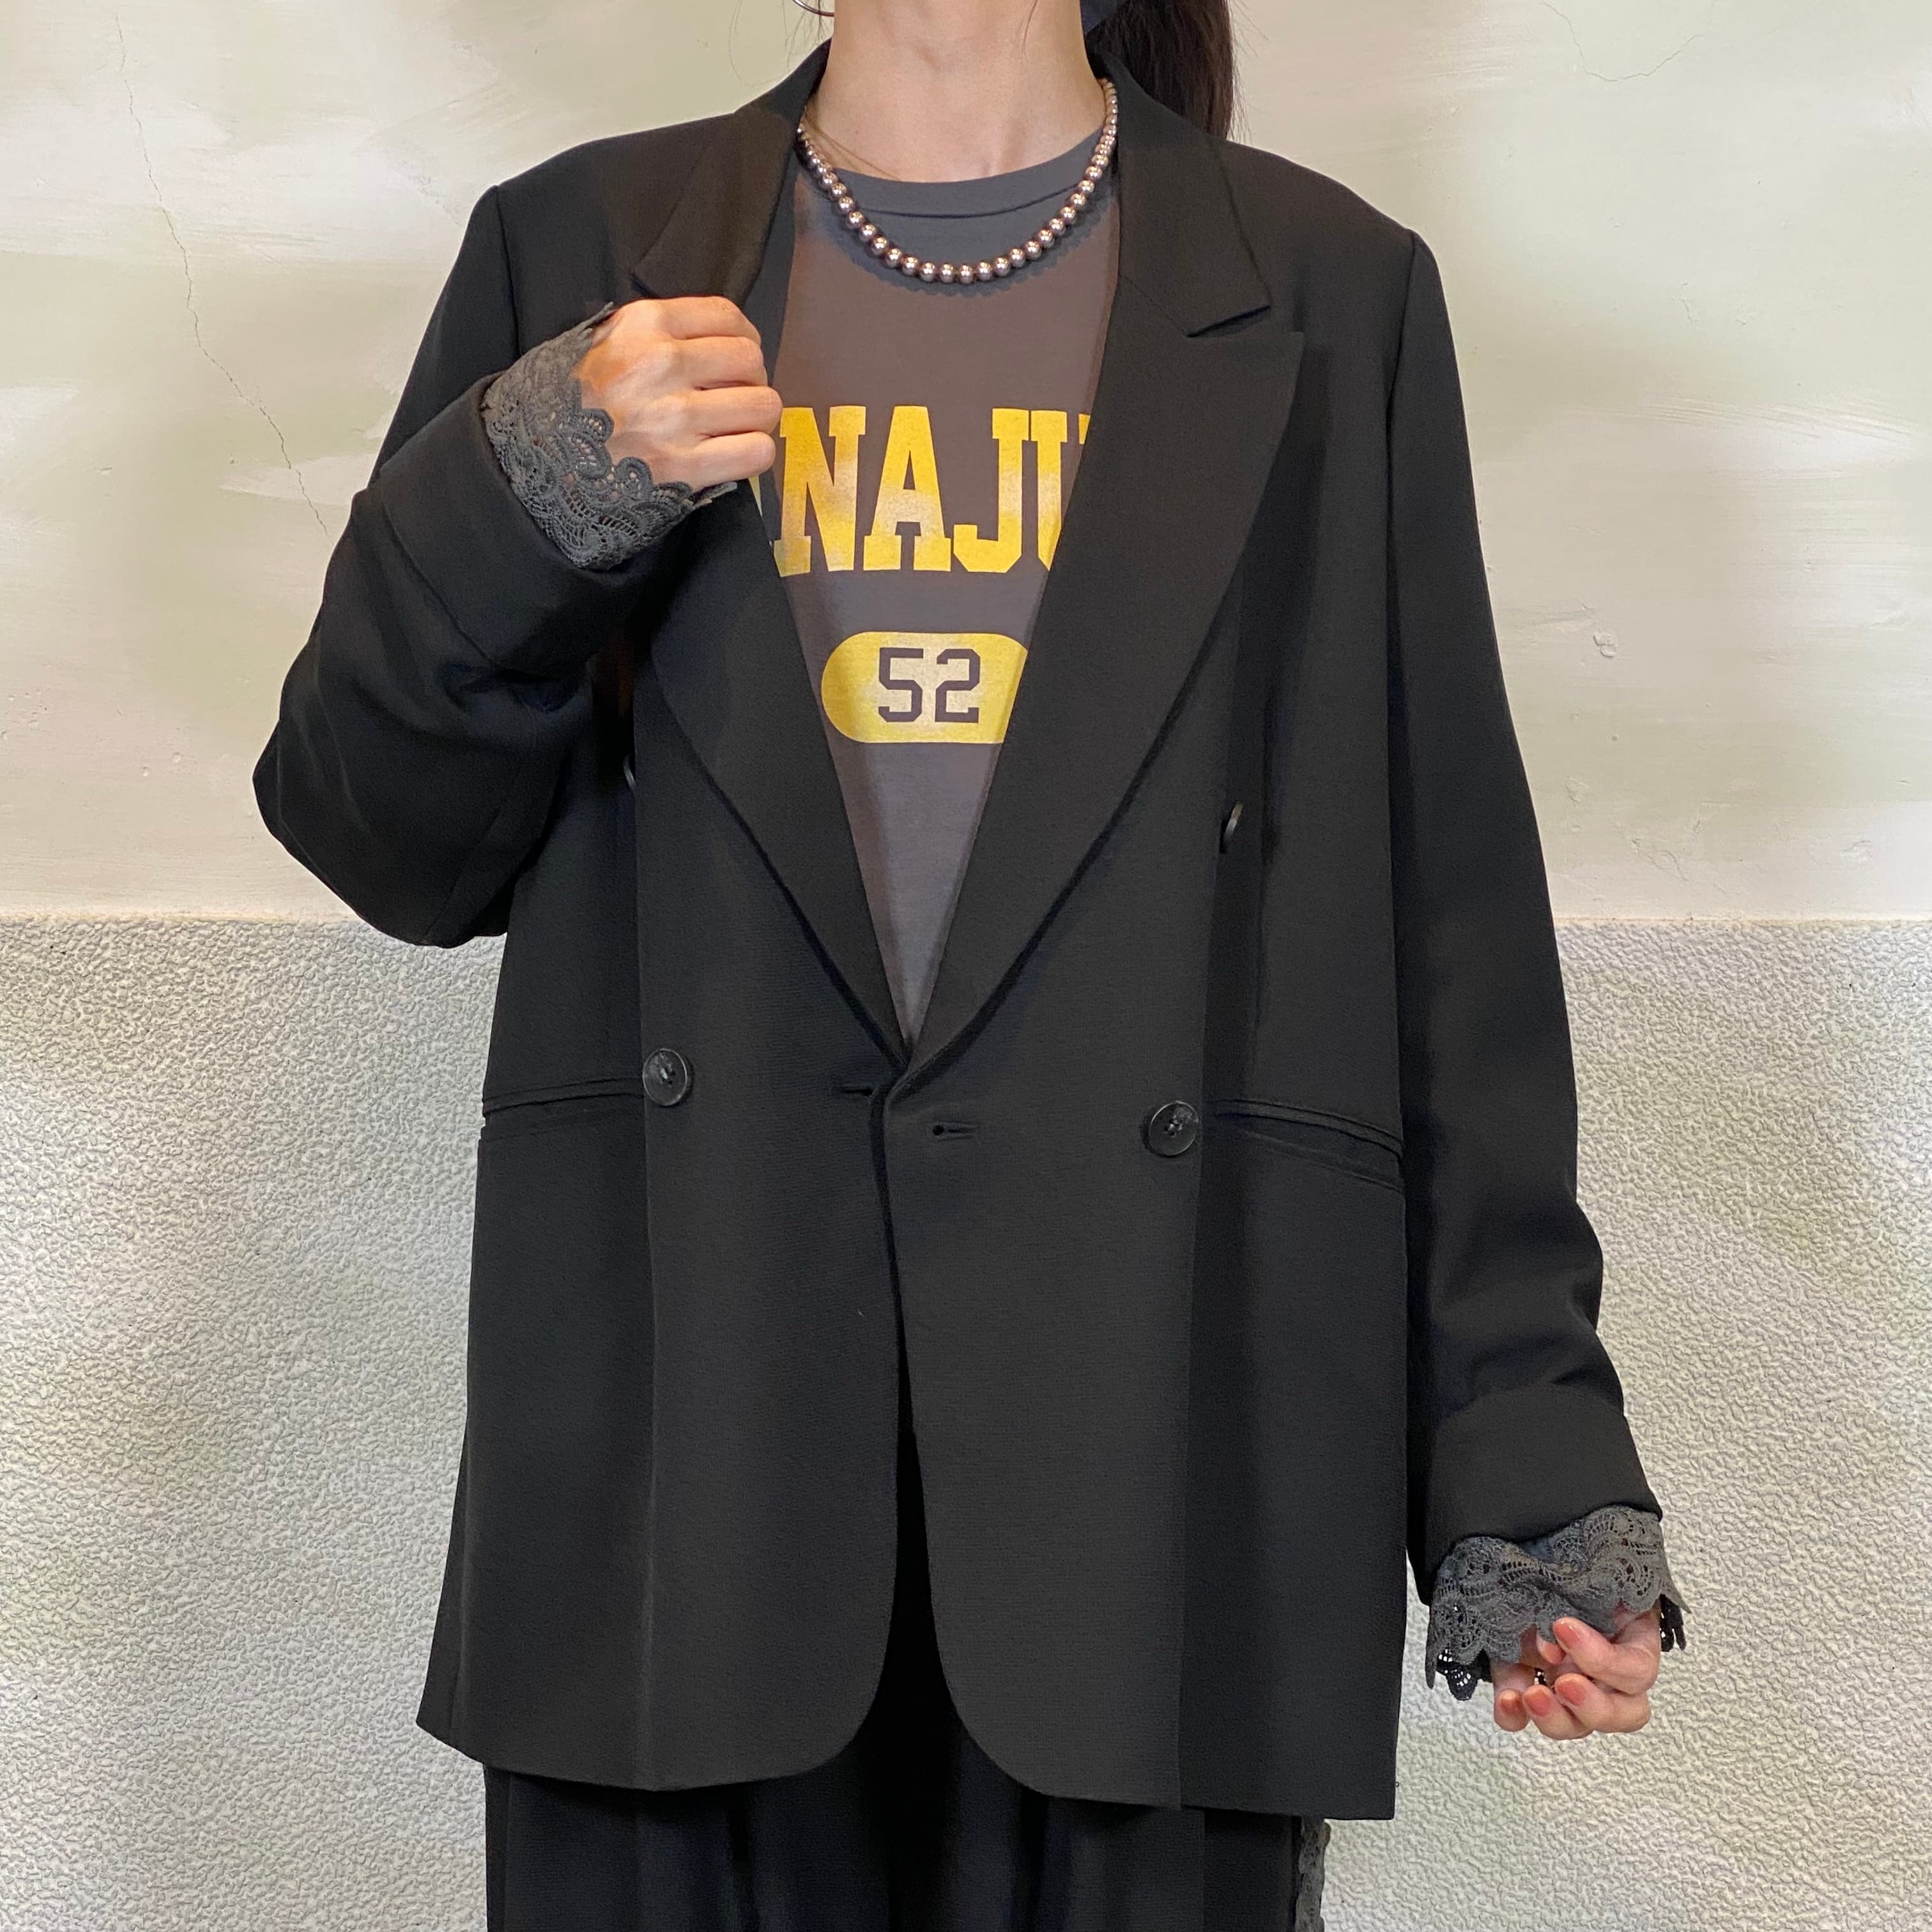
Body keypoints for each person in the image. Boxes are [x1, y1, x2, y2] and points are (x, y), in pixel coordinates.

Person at [253, 2, 1687, 1925]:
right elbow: (378, 834)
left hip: (1166, 1442)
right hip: (687, 1449)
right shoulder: (580, 254)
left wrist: (1529, 1466)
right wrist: (532, 486)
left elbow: (1446, 917)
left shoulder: (1328, 292)